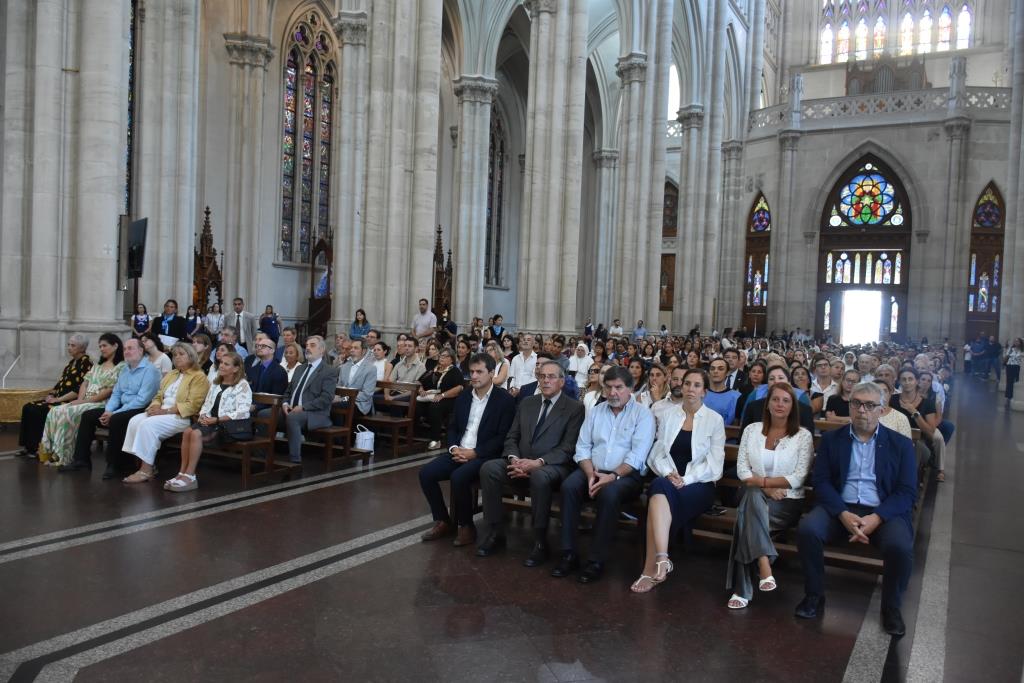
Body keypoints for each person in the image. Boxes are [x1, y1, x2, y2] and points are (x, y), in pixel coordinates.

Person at [796, 382, 917, 637]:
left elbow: (907, 492)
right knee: (808, 530)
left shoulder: (900, 445)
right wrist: (841, 513)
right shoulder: (832, 440)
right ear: (850, 406)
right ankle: (814, 595)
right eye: (856, 403)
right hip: (841, 507)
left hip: (882, 510)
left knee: (900, 546)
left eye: (870, 405)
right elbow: (821, 481)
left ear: (882, 410)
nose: (862, 410)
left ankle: (891, 607)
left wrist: (877, 517)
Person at [477, 361, 586, 564]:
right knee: (489, 468)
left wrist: (538, 463)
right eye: (542, 376)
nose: (546, 380)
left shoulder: (574, 408)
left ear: (562, 381)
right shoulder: (527, 402)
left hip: (552, 466)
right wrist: (514, 459)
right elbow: (511, 437)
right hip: (519, 461)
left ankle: (540, 541)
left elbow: (568, 448)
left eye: (552, 376)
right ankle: (495, 532)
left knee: (540, 477)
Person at [555, 366, 655, 583]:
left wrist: (613, 476)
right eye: (608, 387)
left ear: (631, 388)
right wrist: (590, 473)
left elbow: (637, 456)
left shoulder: (643, 415)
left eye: (619, 387)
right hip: (593, 469)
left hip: (626, 476)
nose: (613, 393)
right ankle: (568, 553)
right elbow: (582, 447)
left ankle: (595, 560)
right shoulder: (597, 411)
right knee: (569, 486)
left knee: (609, 495)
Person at [630, 368, 724, 593]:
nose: (690, 389)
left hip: (699, 485)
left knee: (657, 495)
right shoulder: (670, 415)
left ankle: (650, 568)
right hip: (669, 479)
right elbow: (657, 454)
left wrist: (686, 479)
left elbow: (715, 465)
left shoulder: (714, 420)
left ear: (704, 391)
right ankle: (662, 559)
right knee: (659, 486)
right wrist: (669, 473)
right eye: (687, 384)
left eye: (696, 385)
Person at [725, 383, 813, 608]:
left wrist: (761, 482)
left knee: (746, 516)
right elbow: (743, 470)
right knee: (753, 498)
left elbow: (798, 477)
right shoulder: (751, 430)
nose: (780, 404)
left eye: (786, 400)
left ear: (793, 406)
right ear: (767, 404)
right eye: (775, 399)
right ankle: (764, 564)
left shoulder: (803, 436)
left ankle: (742, 590)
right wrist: (765, 488)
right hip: (752, 492)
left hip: (787, 500)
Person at [419, 353, 515, 547]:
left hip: (484, 454)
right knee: (426, 473)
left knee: (459, 477)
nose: (474, 376)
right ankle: (444, 521)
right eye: (471, 372)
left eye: (479, 372)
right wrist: (454, 448)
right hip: (459, 450)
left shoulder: (503, 400)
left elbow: (502, 436)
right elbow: (453, 426)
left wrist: (475, 453)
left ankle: (466, 526)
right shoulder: (464, 396)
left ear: (491, 373)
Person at [67, 338, 161, 477]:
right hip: (121, 407)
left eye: (130, 348)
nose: (126, 351)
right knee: (88, 415)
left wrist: (115, 413)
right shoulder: (125, 369)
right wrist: (108, 410)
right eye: (125, 349)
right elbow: (116, 394)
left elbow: (142, 400)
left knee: (116, 419)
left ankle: (115, 465)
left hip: (141, 409)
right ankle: (81, 460)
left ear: (141, 351)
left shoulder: (150, 370)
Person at [121, 342, 210, 483]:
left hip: (180, 416)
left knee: (147, 425)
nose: (177, 358)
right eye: (174, 355)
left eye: (181, 354)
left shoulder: (199, 376)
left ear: (191, 356)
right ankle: (143, 464)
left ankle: (146, 470)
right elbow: (158, 395)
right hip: (162, 411)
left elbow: (193, 405)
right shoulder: (172, 374)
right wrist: (153, 407)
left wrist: (164, 411)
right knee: (134, 421)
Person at [168, 351, 252, 492]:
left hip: (226, 425)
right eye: (221, 363)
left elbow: (243, 411)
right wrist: (203, 416)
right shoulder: (216, 383)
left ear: (236, 368)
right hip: (210, 421)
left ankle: (190, 476)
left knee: (195, 434)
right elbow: (207, 404)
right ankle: (181, 473)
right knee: (188, 431)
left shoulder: (242, 385)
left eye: (227, 364)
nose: (222, 366)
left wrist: (217, 419)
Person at [44, 334, 125, 467]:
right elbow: (84, 383)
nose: (102, 349)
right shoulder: (98, 365)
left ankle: (67, 456)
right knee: (56, 410)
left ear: (115, 346)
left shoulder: (121, 366)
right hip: (85, 400)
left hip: (100, 402)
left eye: (105, 345)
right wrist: (80, 400)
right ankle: (55, 454)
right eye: (100, 346)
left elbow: (109, 390)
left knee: (68, 413)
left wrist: (82, 403)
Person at [17, 334, 93, 458]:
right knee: (28, 407)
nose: (69, 347)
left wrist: (58, 399)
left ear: (82, 348)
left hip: (69, 401)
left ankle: (39, 447)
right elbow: (60, 383)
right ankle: (29, 446)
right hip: (57, 398)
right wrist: (51, 394)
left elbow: (79, 389)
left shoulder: (86, 363)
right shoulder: (71, 363)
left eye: (72, 345)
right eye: (68, 344)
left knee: (38, 411)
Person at [281, 336, 338, 463]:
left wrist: (303, 407)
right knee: (265, 414)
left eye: (312, 345)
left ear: (322, 350)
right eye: (306, 345)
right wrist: (285, 403)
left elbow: (326, 398)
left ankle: (294, 460)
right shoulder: (300, 368)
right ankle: (263, 456)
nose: (307, 348)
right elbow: (288, 391)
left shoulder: (329, 371)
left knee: (293, 417)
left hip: (315, 413)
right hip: (292, 409)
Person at [891, 367, 945, 482]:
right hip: (896, 439)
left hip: (918, 442)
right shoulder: (892, 400)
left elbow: (930, 432)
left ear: (916, 381)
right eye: (904, 379)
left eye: (910, 379)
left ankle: (909, 483)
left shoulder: (927, 403)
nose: (907, 382)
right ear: (899, 381)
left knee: (915, 450)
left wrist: (915, 413)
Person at [419, 349, 465, 449]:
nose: (442, 358)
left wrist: (443, 395)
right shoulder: (433, 370)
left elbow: (459, 388)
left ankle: (435, 439)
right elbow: (420, 382)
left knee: (435, 406)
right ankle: (417, 433)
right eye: (441, 356)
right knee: (416, 405)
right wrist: (421, 390)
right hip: (431, 397)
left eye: (445, 356)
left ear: (451, 359)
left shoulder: (454, 371)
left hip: (449, 399)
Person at [338, 338, 378, 416]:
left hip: (360, 404)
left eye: (356, 348)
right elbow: (339, 387)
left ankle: (341, 428)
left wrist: (345, 398)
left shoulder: (370, 368)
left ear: (363, 351)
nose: (352, 350)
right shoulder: (344, 367)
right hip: (342, 400)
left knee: (338, 406)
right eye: (351, 348)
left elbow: (367, 394)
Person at [703, 357, 740, 425]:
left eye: (720, 369)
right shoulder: (699, 393)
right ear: (708, 373)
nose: (715, 371)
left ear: (727, 373)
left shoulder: (736, 396)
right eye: (712, 368)